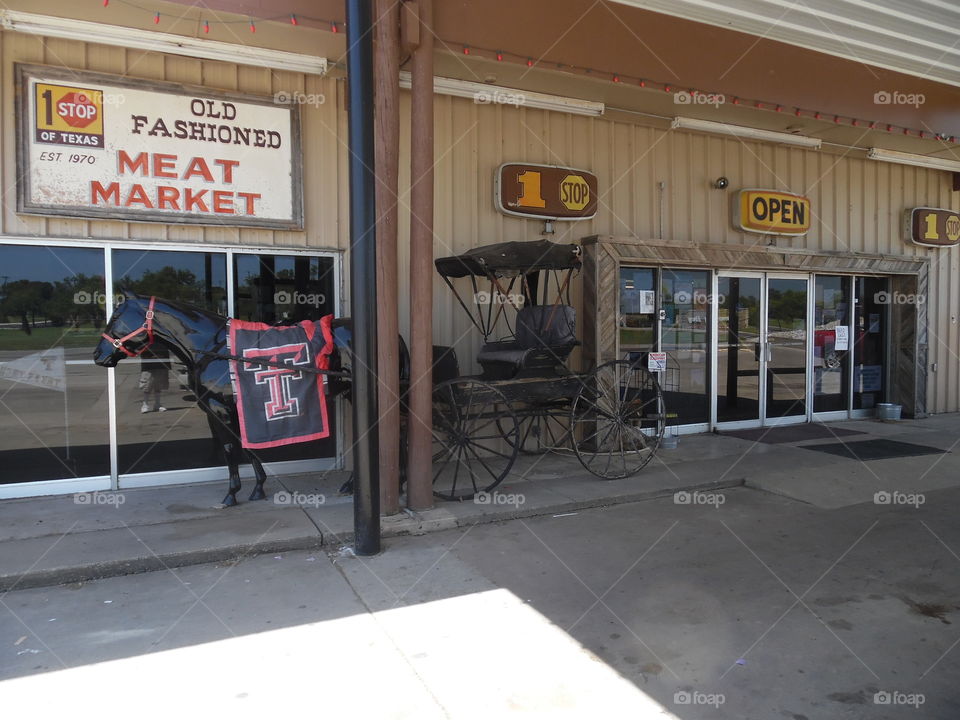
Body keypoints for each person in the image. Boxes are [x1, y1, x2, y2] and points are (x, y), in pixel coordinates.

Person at [138, 346, 170, 413]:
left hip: (161, 361)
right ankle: (145, 405)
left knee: (158, 384)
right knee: (147, 384)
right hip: (148, 363)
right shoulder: (146, 336)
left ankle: (157, 404)